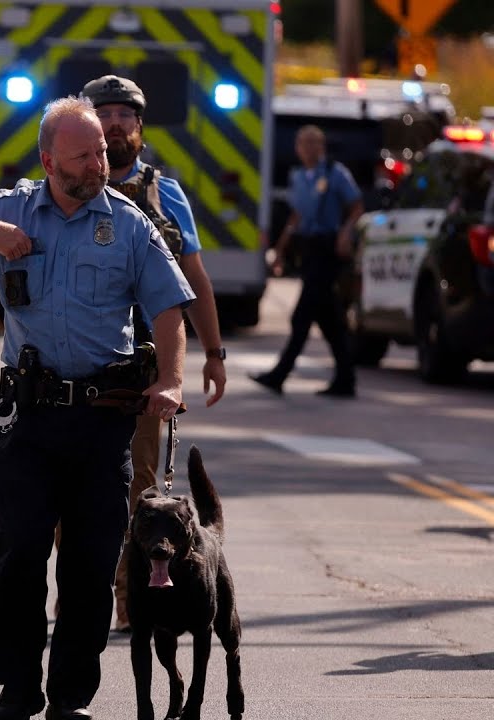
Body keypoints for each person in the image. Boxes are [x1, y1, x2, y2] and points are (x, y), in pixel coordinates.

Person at [0, 96, 195, 719]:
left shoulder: (127, 223)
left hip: (101, 421)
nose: (98, 164)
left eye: (99, 152)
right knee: (18, 557)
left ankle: (70, 698)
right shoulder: (10, 208)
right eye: (82, 155)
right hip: (30, 421)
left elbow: (171, 309)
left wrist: (170, 381)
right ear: (48, 160)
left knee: (90, 568)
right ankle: (17, 689)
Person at [81, 74, 227, 633]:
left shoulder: (164, 195)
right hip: (75, 367)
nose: (116, 125)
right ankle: (76, 595)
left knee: (139, 493)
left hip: (142, 372)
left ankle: (127, 601)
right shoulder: (63, 184)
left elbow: (194, 278)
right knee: (71, 492)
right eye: (106, 115)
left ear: (139, 129)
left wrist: (212, 353)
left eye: (126, 116)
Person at [250, 124, 363, 397]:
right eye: (303, 143)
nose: (308, 148)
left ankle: (280, 374)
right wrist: (280, 249)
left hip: (328, 249)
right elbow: (296, 217)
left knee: (302, 316)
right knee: (330, 320)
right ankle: (346, 379)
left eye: (313, 143)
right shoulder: (299, 177)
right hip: (309, 249)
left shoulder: (335, 173)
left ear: (321, 146)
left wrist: (346, 233)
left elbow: (356, 207)